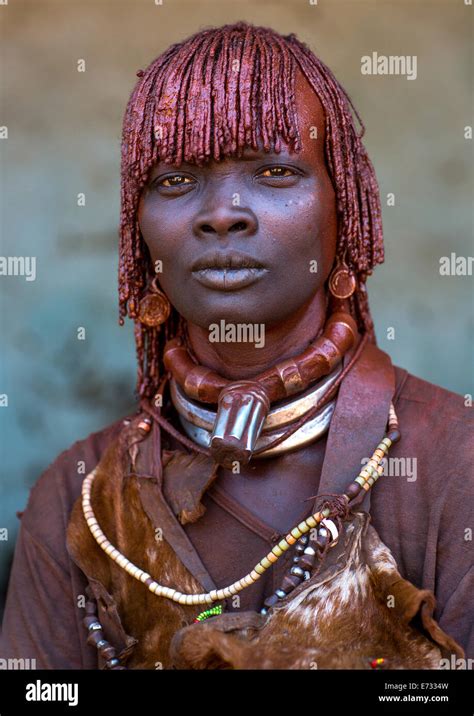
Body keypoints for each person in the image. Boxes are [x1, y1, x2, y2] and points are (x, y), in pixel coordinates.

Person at [0, 21, 472, 670]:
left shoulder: (457, 465)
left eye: (275, 171)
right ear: (141, 237)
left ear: (346, 213)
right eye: (174, 180)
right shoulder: (81, 497)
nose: (223, 213)